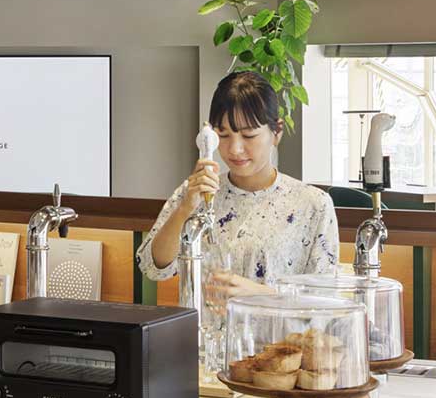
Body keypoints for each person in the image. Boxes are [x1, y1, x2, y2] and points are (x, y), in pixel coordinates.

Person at [137, 69, 339, 380]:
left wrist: (258, 294)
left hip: (278, 370)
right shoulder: (195, 194)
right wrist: (186, 207)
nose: (234, 149)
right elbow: (154, 267)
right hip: (202, 366)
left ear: (276, 132)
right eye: (224, 134)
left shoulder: (312, 204)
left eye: (248, 135)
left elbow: (323, 304)